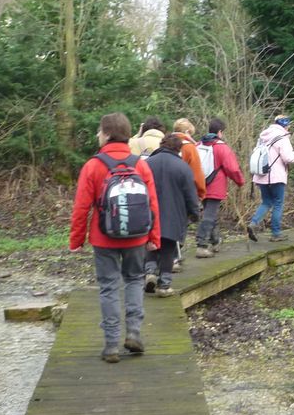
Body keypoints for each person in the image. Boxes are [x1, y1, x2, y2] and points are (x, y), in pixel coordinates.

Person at [70, 113, 161, 363]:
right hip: (137, 237)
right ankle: (133, 332)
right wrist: (155, 238)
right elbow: (152, 204)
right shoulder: (140, 164)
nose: (97, 135)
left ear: (107, 133)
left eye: (99, 131)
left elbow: (81, 207)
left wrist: (76, 240)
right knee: (134, 281)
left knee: (109, 286)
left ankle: (111, 345)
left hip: (104, 238)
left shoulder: (93, 165)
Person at [143, 133, 201, 297]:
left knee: (150, 244)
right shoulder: (182, 167)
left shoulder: (147, 164)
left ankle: (150, 272)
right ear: (178, 149)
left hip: (149, 213)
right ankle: (164, 285)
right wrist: (194, 213)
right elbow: (190, 194)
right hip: (173, 214)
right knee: (168, 248)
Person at [196, 118, 246, 257]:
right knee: (209, 215)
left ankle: (216, 240)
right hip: (215, 186)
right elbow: (232, 168)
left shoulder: (199, 144)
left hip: (200, 184)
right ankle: (201, 245)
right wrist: (240, 181)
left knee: (209, 213)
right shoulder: (221, 147)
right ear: (220, 132)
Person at [248, 114, 294, 242]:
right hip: (276, 176)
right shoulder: (282, 138)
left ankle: (254, 223)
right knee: (278, 203)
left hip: (261, 175)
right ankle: (276, 233)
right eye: (288, 124)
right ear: (285, 125)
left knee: (266, 202)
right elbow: (288, 158)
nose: (289, 127)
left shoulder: (262, 137)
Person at [170, 118, 206, 270]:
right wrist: (201, 192)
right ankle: (174, 257)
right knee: (181, 223)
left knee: (169, 222)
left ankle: (170, 256)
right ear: (186, 132)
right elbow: (197, 173)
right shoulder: (190, 147)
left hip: (166, 189)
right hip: (184, 190)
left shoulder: (166, 143)